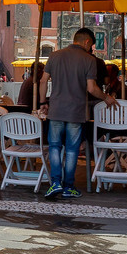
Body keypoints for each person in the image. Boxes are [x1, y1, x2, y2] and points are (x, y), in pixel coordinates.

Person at [42, 28, 116, 200]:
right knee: (72, 150)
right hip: (76, 111)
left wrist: (42, 102)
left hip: (56, 110)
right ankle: (68, 187)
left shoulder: (54, 56)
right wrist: (106, 98)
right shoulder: (89, 60)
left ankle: (55, 183)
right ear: (87, 42)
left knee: (54, 147)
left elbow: (44, 80)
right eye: (91, 45)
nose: (91, 49)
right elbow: (91, 88)